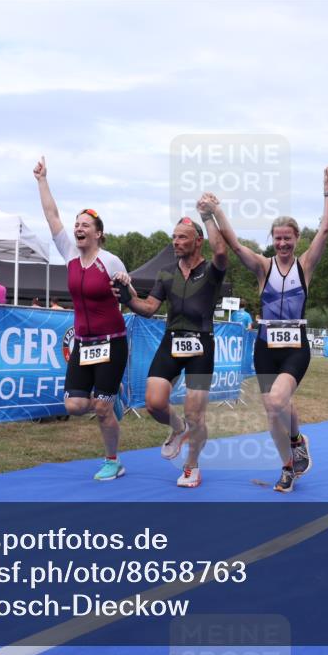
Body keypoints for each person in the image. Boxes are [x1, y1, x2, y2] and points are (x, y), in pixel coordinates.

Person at [208, 170, 328, 493]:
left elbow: (326, 230)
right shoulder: (263, 267)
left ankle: (296, 441)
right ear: (272, 240)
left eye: (287, 238)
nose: (282, 243)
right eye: (277, 238)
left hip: (295, 346)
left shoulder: (305, 266)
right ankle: (288, 463)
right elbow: (234, 246)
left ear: (296, 239)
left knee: (278, 400)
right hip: (264, 346)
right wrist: (217, 211)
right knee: (273, 408)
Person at [115, 196, 229, 488]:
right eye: (174, 237)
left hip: (201, 344)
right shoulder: (166, 273)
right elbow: (150, 307)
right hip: (171, 340)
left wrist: (207, 215)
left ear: (197, 241)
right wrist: (127, 297)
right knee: (153, 403)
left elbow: (221, 249)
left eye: (182, 237)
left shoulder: (212, 270)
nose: (176, 242)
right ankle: (177, 428)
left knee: (195, 414)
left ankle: (191, 466)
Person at [34, 156, 130, 481]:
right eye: (77, 225)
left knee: (101, 409)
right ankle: (111, 396)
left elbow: (126, 297)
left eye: (85, 225)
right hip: (83, 344)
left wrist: (126, 286)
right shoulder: (69, 254)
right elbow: (51, 215)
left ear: (99, 234)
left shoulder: (111, 261)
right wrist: (42, 180)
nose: (78, 228)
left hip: (112, 343)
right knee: (74, 406)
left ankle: (113, 460)